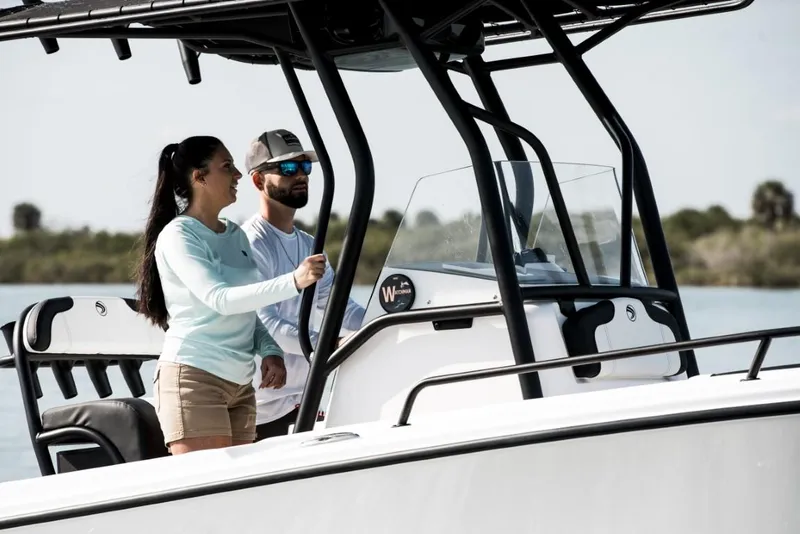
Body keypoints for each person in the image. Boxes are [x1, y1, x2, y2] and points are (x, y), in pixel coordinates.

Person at [134, 135, 326, 455]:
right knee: (205, 494)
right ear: (200, 177)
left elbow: (244, 309)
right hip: (196, 380)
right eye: (227, 167)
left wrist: (270, 350)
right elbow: (220, 299)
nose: (237, 175)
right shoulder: (180, 235)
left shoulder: (234, 233)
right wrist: (293, 281)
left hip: (241, 386)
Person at [240, 129, 366, 439]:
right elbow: (264, 322)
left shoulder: (311, 245)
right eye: (287, 168)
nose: (301, 175)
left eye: (305, 167)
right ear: (258, 181)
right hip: (259, 411)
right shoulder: (250, 243)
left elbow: (341, 308)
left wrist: (380, 324)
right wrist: (329, 344)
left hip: (305, 401)